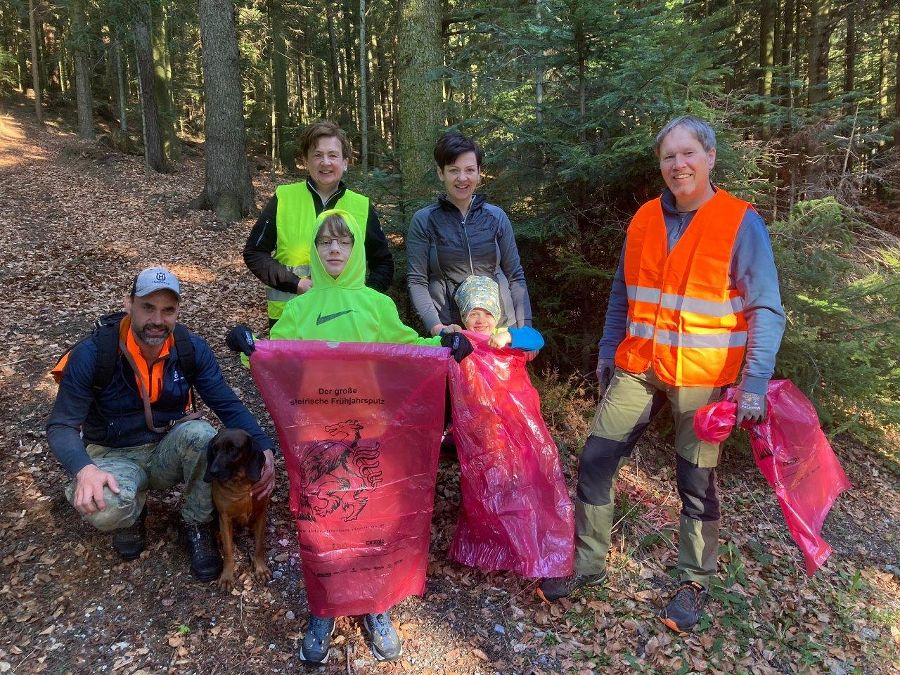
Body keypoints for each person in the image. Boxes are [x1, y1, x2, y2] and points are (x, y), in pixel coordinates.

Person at [539, 116, 786, 634]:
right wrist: (608, 351)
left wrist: (754, 383)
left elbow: (766, 308)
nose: (679, 164)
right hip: (639, 365)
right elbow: (621, 294)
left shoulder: (741, 223)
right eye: (669, 156)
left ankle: (694, 580)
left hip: (703, 375)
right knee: (596, 458)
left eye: (688, 153)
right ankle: (587, 565)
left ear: (710, 157)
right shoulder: (644, 219)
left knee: (695, 482)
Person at [232, 210, 471, 664]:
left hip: (369, 434)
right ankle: (324, 607)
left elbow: (405, 348)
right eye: (325, 243)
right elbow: (272, 354)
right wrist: (249, 347)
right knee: (321, 522)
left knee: (372, 517)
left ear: (357, 247)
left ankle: (374, 604)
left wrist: (444, 347)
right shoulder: (299, 308)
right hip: (315, 437)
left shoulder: (377, 306)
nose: (335, 250)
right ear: (316, 250)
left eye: (343, 241)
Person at [47, 267, 276, 582]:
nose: (158, 319)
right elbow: (61, 426)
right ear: (128, 304)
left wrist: (263, 446)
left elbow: (226, 403)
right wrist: (84, 469)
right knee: (106, 507)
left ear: (177, 311)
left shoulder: (188, 348)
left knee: (203, 435)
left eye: (168, 310)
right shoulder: (93, 354)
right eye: (148, 307)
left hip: (166, 447)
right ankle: (131, 514)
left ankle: (195, 523)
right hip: (114, 455)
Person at [243, 120, 394, 327]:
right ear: (306, 160)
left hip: (349, 322)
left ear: (345, 162)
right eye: (317, 155)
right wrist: (297, 284)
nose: (325, 162)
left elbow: (384, 264)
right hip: (290, 320)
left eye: (333, 155)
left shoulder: (361, 206)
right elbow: (254, 253)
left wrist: (364, 298)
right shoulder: (284, 198)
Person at [406, 132, 533, 336]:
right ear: (441, 173)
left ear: (479, 172)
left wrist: (525, 328)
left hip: (502, 332)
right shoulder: (424, 220)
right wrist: (437, 328)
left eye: (470, 170)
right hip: (452, 331)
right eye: (454, 170)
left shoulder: (496, 217)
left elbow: (515, 276)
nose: (462, 178)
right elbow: (417, 281)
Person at [453, 275, 543, 351]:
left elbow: (538, 339)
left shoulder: (501, 333)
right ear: (464, 318)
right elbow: (439, 343)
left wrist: (508, 337)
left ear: (496, 316)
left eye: (488, 313)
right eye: (473, 314)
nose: (481, 320)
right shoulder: (460, 339)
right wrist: (446, 335)